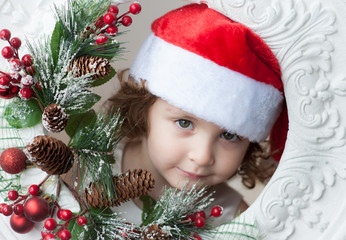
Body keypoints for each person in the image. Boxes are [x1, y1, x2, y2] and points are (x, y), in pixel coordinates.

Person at [106, 3, 288, 226]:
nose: (202, 157)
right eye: (184, 123)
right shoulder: (84, 172)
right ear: (142, 109)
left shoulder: (233, 219)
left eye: (229, 136)